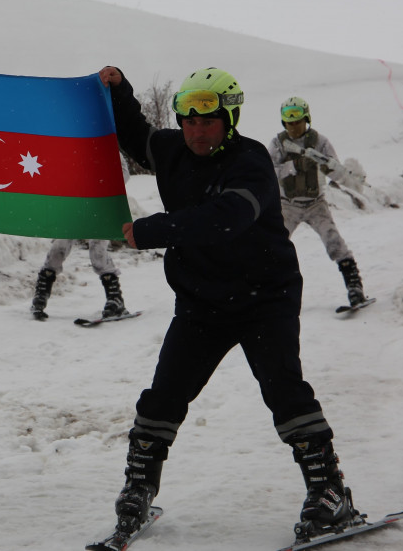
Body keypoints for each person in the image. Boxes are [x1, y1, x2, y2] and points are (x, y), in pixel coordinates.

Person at [99, 65, 360, 542]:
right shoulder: (172, 149)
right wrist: (120, 89)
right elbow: (133, 134)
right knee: (163, 396)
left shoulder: (252, 160)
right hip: (201, 302)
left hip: (266, 297)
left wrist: (154, 230)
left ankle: (331, 494)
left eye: (209, 121)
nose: (197, 132)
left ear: (230, 119)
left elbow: (228, 217)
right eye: (189, 121)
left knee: (284, 391)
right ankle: (138, 489)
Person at [268, 97, 369, 308]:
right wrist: (294, 166)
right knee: (272, 248)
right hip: (287, 205)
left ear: (306, 119)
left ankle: (354, 287)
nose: (294, 127)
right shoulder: (278, 144)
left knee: (334, 242)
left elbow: (337, 172)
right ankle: (265, 294)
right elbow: (269, 173)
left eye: (298, 122)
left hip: (316, 204)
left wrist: (330, 169)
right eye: (289, 123)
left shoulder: (320, 142)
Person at [30, 239, 125, 319]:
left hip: (100, 217)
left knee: (98, 251)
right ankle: (41, 295)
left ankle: (115, 298)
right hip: (70, 217)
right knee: (59, 247)